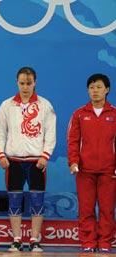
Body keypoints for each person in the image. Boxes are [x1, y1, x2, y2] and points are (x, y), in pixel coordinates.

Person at [0, 67, 56, 252]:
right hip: (13, 162)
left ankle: (35, 239)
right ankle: (17, 239)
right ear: (17, 82)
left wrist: (45, 156)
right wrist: (1, 155)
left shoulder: (45, 105)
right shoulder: (7, 105)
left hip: (37, 162)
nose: (25, 87)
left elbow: (50, 133)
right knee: (14, 201)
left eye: (29, 83)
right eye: (22, 83)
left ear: (35, 82)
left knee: (37, 202)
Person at [67, 74, 116, 253]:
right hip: (84, 170)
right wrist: (73, 162)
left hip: (109, 171)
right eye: (92, 87)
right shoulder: (79, 114)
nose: (95, 91)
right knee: (86, 209)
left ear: (107, 90)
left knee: (107, 209)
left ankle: (105, 243)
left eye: (99, 87)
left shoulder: (114, 114)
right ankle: (88, 242)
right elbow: (73, 140)